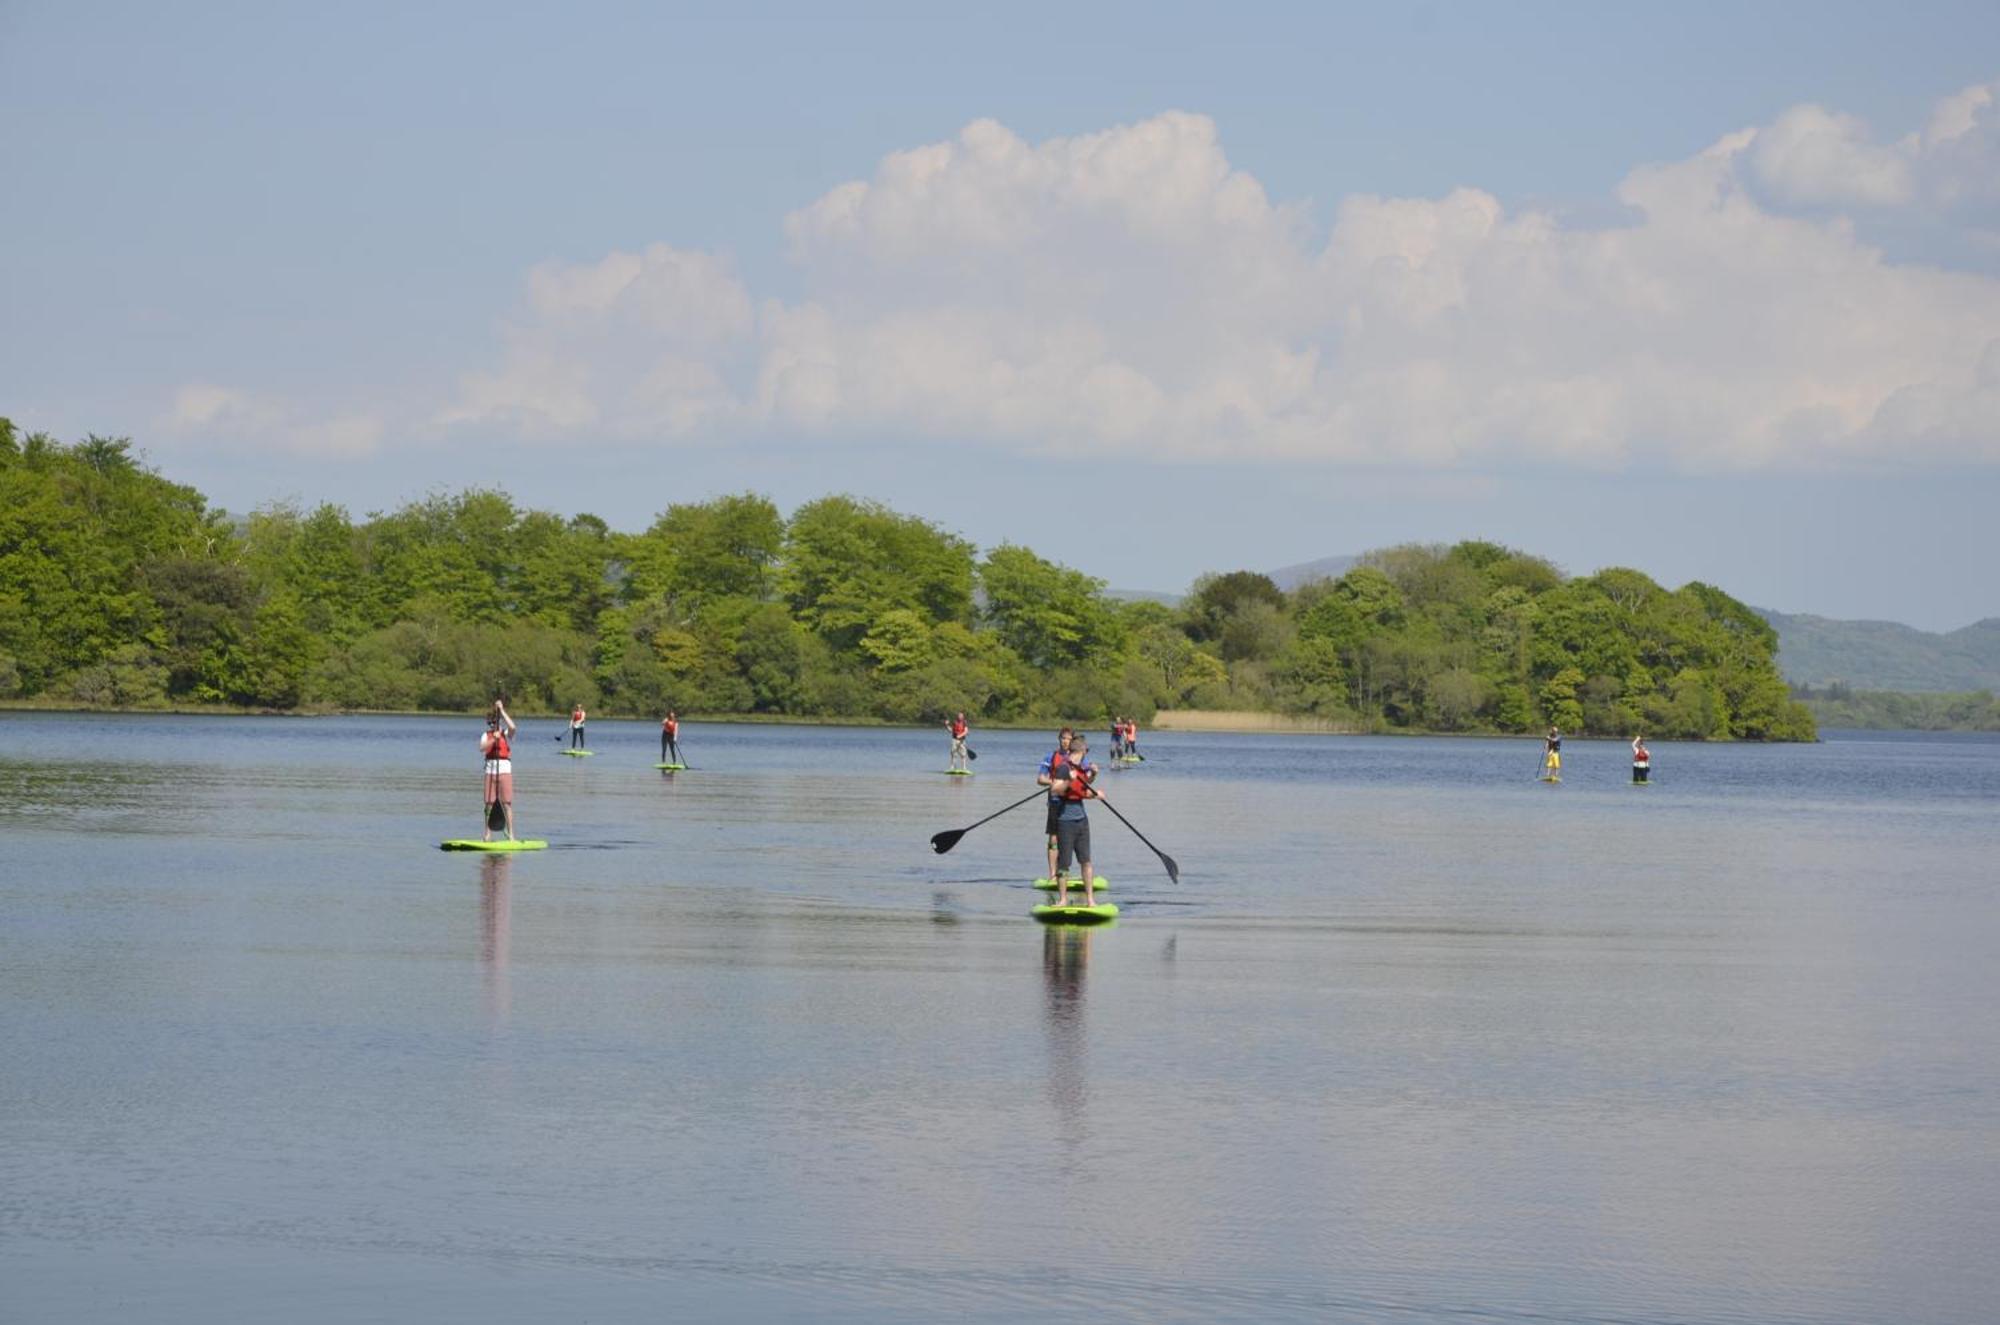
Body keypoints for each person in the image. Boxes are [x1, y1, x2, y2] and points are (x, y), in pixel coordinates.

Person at [1048, 734, 1101, 907]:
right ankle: (1063, 900)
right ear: (1082, 751)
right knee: (1064, 864)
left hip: (1082, 820)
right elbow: (1055, 789)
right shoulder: (1064, 768)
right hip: (1065, 821)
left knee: (1086, 861)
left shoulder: (1080, 769)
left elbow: (1083, 791)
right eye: (1086, 752)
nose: (1087, 756)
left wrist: (1095, 789)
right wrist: (1068, 781)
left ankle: (1091, 900)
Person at [1036, 727, 1076, 882]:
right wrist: (1055, 782)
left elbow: (1084, 776)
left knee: (1068, 840)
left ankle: (1064, 872)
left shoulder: (1076, 757)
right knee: (1054, 839)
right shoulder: (1051, 756)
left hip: (1071, 802)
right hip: (1054, 801)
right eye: (1063, 738)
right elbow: (1040, 779)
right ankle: (1052, 875)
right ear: (1059, 739)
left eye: (1068, 739)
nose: (1065, 741)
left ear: (1072, 740)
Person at [480, 700, 518, 841]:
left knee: (507, 803)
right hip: (490, 771)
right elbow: (482, 748)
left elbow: (513, 727)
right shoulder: (486, 735)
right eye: (490, 722)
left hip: (504, 770)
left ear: (498, 722)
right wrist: (492, 739)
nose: (492, 725)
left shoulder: (506, 732)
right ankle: (487, 833)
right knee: (488, 804)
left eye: (494, 722)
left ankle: (511, 834)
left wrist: (501, 710)